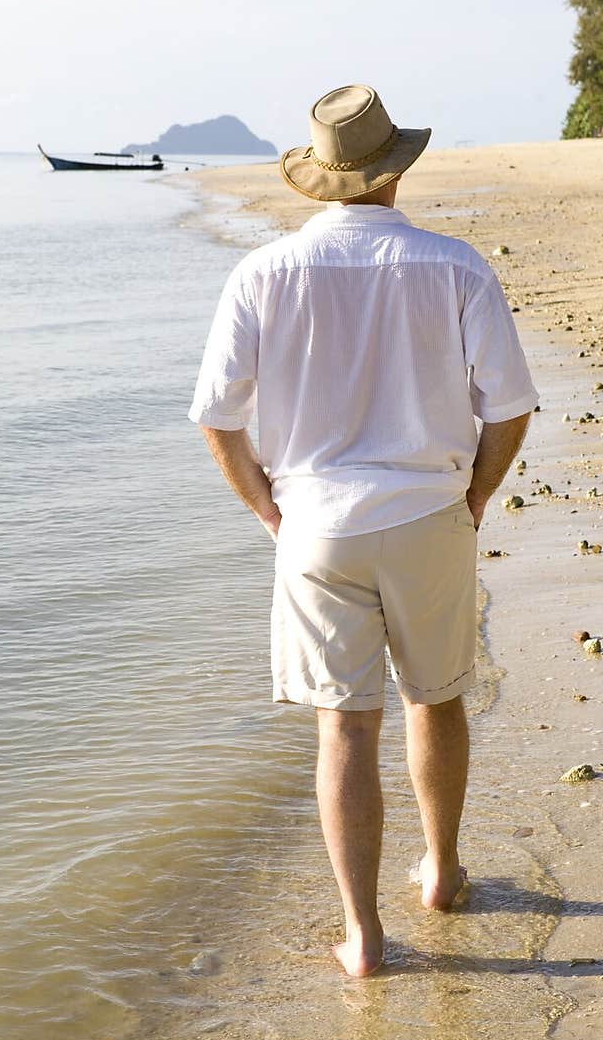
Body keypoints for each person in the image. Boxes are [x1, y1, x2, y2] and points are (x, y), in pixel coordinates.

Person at [188, 84, 539, 977]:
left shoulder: (261, 274)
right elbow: (509, 406)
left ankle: (364, 935)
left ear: (320, 179)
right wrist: (479, 493)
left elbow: (216, 418)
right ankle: (445, 874)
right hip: (428, 512)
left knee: (343, 730)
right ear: (393, 173)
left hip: (315, 527)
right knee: (438, 696)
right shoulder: (455, 266)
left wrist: (268, 508)